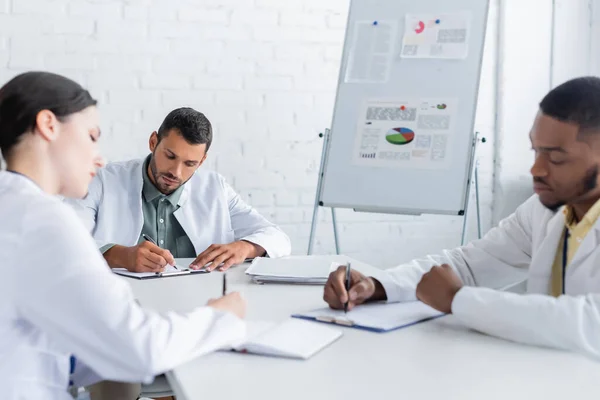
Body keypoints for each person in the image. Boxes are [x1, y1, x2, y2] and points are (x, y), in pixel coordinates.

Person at [0, 71, 247, 400]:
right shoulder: (43, 222)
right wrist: (220, 317)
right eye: (91, 136)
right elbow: (142, 349)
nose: (98, 156)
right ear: (48, 125)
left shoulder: (13, 209)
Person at [324, 76, 600, 360]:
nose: (536, 169)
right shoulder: (545, 210)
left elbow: (590, 323)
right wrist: (377, 286)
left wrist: (460, 300)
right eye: (536, 150)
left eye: (555, 158)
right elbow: (466, 265)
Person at [67, 107, 291, 274]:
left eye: (189, 163)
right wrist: (120, 255)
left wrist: (245, 247)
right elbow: (65, 239)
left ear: (201, 161)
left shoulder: (216, 189)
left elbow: (278, 238)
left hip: (196, 304)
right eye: (170, 156)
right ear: (153, 142)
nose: (176, 171)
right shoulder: (103, 180)